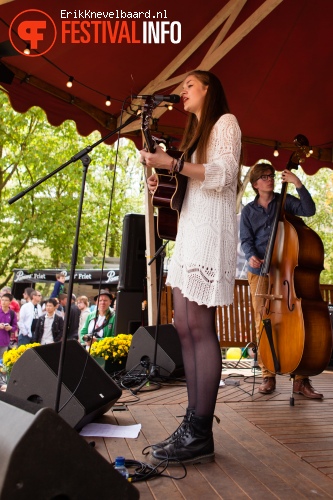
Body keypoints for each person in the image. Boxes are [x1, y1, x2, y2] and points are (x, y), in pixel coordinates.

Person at [140, 70, 241, 465]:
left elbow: (224, 174)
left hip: (211, 234)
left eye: (189, 86)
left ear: (209, 90)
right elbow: (187, 187)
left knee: (200, 327)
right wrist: (162, 181)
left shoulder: (225, 124)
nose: (182, 92)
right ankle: (192, 425)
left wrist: (174, 164)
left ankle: (199, 431)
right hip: (189, 232)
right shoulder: (194, 135)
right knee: (184, 327)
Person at [240, 161, 322, 399]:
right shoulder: (248, 211)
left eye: (271, 175)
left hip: (286, 270)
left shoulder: (283, 201)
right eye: (265, 177)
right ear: (256, 184)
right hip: (261, 272)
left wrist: (297, 183)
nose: (270, 179)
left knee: (296, 322)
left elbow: (309, 210)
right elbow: (246, 240)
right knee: (262, 321)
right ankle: (268, 375)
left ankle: (301, 380)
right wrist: (251, 256)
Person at [0, 293, 18, 359]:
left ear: (10, 302)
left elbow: (15, 327)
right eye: (2, 300)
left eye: (6, 300)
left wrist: (10, 328)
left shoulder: (12, 313)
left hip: (5, 341)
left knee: (2, 361)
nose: (3, 302)